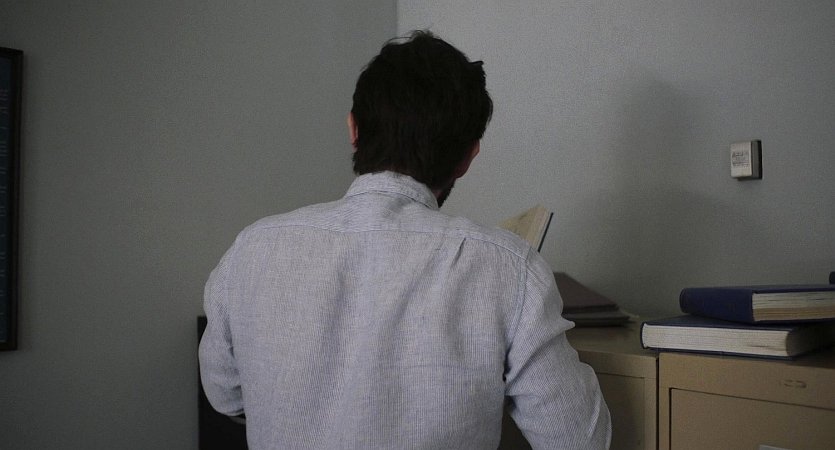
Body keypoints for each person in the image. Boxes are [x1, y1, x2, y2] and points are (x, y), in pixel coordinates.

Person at [199, 30, 611, 449]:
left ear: (353, 129)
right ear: (468, 157)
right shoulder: (509, 268)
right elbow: (577, 440)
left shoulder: (252, 249)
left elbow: (225, 395)